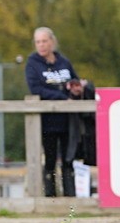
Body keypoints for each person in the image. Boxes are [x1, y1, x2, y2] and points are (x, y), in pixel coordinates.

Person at [25, 26, 83, 197]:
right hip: (47, 120)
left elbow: (74, 80)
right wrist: (61, 97)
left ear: (52, 41)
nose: (41, 45)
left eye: (44, 41)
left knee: (68, 159)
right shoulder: (33, 64)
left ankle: (71, 199)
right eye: (38, 42)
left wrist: (76, 89)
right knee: (50, 160)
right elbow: (36, 89)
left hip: (67, 119)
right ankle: (49, 198)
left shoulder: (63, 62)